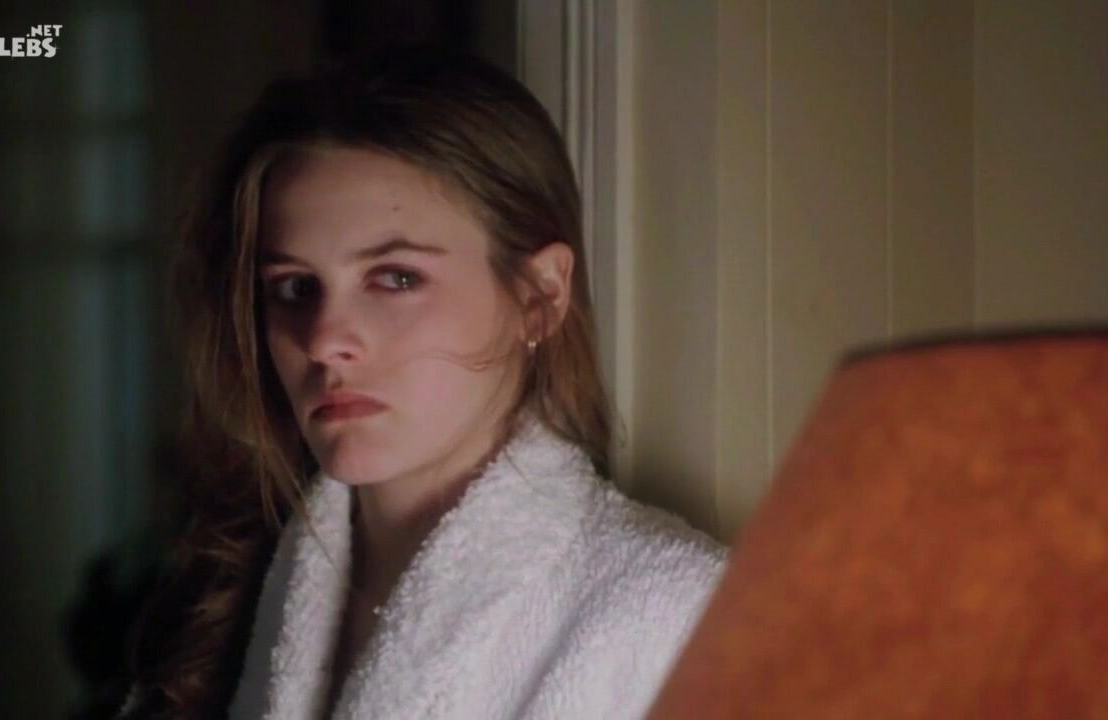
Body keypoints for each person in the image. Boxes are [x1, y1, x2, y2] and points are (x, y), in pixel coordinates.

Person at [122, 44, 726, 720]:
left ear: (540, 296)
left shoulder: (675, 615)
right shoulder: (233, 597)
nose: (324, 339)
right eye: (294, 287)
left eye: (396, 278)